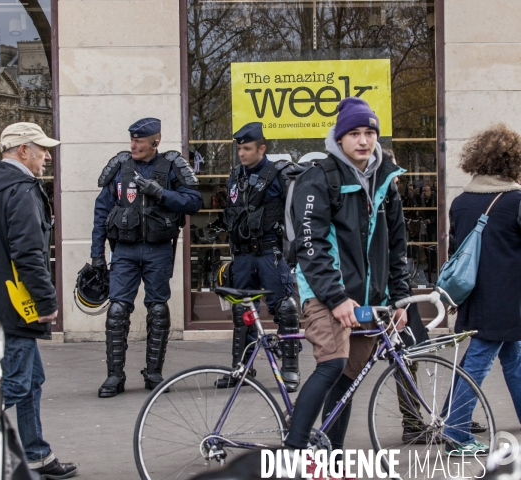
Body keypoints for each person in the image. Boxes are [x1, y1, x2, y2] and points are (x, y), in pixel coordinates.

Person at [286, 97, 409, 473]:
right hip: (325, 293)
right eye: (354, 133)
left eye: (369, 132)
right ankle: (292, 452)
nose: (363, 140)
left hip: (370, 297)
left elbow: (396, 244)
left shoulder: (385, 179)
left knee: (348, 378)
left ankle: (330, 458)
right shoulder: (319, 177)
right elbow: (310, 243)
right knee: (333, 363)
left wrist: (400, 297)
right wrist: (336, 298)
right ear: (339, 138)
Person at [0, 122, 77, 479]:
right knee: (15, 382)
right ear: (22, 150)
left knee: (32, 379)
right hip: (13, 305)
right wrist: (47, 301)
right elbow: (28, 252)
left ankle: (37, 456)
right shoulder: (22, 190)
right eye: (41, 149)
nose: (47, 155)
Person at [91, 117, 203, 397]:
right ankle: (114, 377)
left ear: (156, 141)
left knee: (157, 310)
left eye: (139, 141)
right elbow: (101, 213)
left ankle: (153, 373)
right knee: (116, 311)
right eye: (131, 140)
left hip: (158, 249)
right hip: (125, 251)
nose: (133, 146)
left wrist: (161, 193)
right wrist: (96, 256)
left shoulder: (172, 166)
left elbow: (194, 202)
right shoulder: (120, 166)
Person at [443, 123, 521, 456]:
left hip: (475, 297)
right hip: (508, 299)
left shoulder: (461, 202)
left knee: (513, 359)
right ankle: (455, 431)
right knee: (478, 362)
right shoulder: (516, 200)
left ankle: (453, 424)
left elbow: (455, 251)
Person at [218, 122, 300, 392]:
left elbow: (295, 215)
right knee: (242, 312)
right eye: (239, 148)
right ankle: (241, 369)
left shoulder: (279, 174)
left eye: (247, 148)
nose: (242, 153)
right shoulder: (235, 176)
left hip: (269, 253)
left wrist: (294, 251)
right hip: (242, 255)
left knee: (285, 309)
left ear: (262, 148)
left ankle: (289, 369)